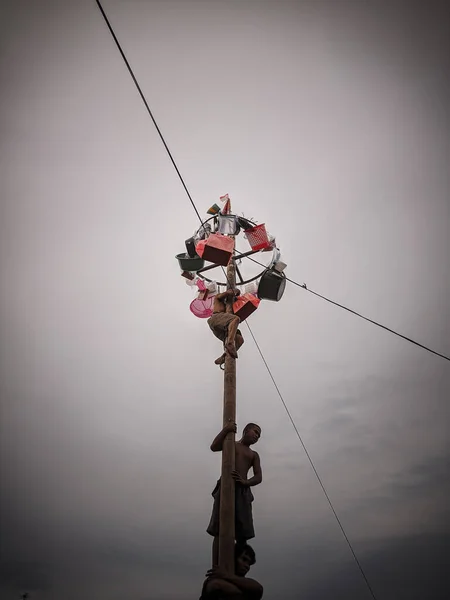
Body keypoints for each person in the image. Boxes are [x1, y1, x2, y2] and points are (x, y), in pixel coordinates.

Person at [207, 422, 262, 568]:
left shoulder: (253, 455)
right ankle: (217, 567)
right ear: (245, 430)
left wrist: (245, 482)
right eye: (255, 432)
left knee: (243, 534)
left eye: (259, 435)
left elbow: (258, 477)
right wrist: (226, 430)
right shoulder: (231, 444)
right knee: (219, 529)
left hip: (243, 492)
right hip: (226, 487)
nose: (256, 436)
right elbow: (214, 447)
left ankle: (237, 568)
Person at [207, 288, 244, 366]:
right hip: (216, 318)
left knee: (239, 339)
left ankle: (225, 356)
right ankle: (230, 343)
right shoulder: (218, 298)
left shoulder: (229, 306)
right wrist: (235, 291)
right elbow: (228, 292)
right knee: (235, 319)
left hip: (223, 327)